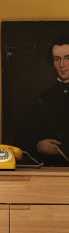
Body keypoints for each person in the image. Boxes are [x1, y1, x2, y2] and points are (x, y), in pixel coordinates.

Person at [16, 35, 69, 166]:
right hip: (53, 169)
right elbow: (21, 137)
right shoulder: (42, 98)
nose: (62, 65)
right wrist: (39, 145)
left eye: (68, 58)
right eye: (57, 59)